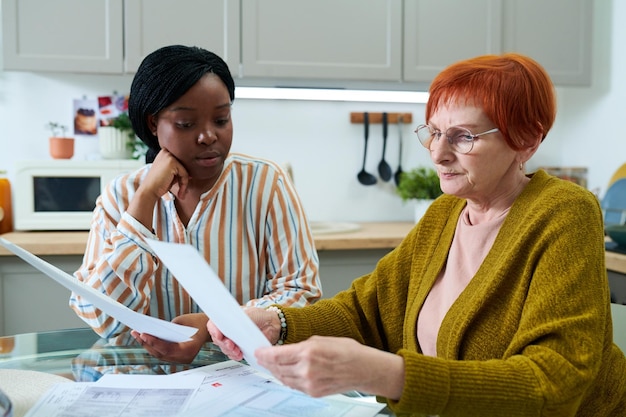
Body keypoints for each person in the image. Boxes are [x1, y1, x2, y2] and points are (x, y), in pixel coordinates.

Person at [208, 53, 626, 416]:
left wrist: (388, 374)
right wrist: (278, 323)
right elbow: (366, 311)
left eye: (464, 136)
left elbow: (554, 384)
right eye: (434, 132)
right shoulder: (445, 213)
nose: (439, 153)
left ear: (528, 139)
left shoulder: (565, 213)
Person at [70, 45, 322, 364]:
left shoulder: (266, 184)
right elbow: (101, 319)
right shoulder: (121, 196)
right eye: (186, 124)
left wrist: (211, 326)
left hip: (244, 378)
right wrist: (145, 200)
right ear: (152, 124)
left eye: (221, 119)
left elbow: (303, 294)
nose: (208, 136)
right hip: (147, 383)